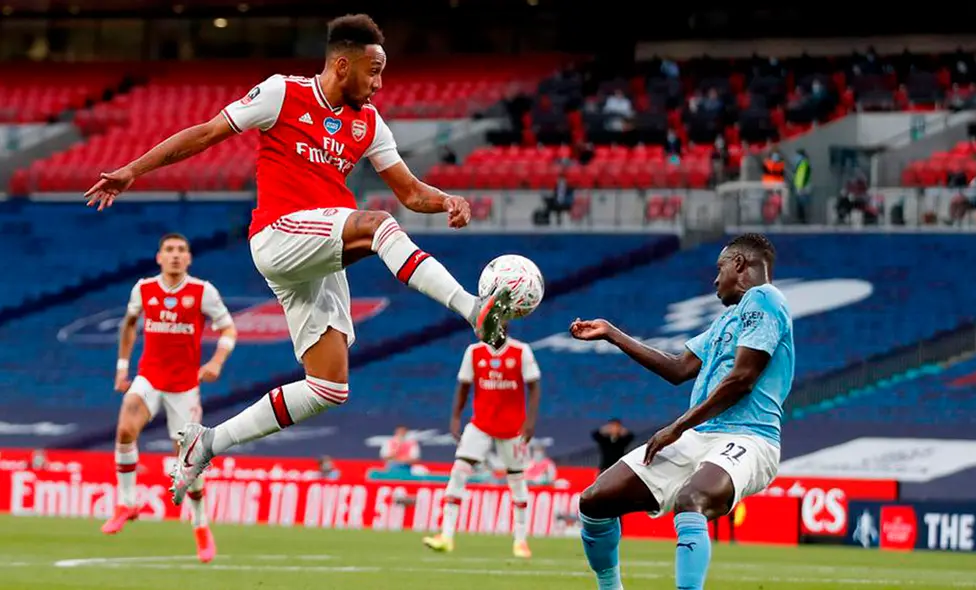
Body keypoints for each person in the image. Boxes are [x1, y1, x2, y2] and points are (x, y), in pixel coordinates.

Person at [83, 14, 516, 505]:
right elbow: (205, 134)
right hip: (278, 234)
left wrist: (447, 201)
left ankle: (207, 443)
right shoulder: (281, 94)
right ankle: (471, 308)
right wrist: (132, 171)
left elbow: (412, 192)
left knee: (328, 387)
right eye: (373, 72)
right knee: (375, 225)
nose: (378, 84)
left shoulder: (369, 123)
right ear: (342, 63)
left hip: (320, 253)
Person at [568, 233, 794, 590]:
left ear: (738, 264)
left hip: (750, 437)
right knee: (594, 501)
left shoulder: (765, 299)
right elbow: (677, 368)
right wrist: (612, 334)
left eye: (719, 268)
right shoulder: (727, 321)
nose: (714, 279)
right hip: (701, 435)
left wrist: (677, 427)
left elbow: (743, 379)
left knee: (692, 500)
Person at [100, 233, 237, 565]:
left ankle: (201, 526)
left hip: (184, 387)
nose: (175, 256)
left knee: (188, 466)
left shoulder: (202, 292)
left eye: (181, 251)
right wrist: (122, 368)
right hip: (149, 377)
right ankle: (127, 502)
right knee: (125, 429)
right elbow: (129, 324)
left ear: (188, 258)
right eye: (169, 250)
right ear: (159, 257)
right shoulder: (144, 288)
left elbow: (228, 329)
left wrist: (216, 362)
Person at [422, 326, 542, 558]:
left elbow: (534, 387)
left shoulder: (520, 351)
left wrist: (530, 421)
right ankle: (446, 536)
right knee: (458, 472)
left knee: (516, 481)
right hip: (480, 425)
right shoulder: (474, 352)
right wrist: (456, 417)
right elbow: (464, 386)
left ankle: (520, 540)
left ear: (504, 326)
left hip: (512, 427)